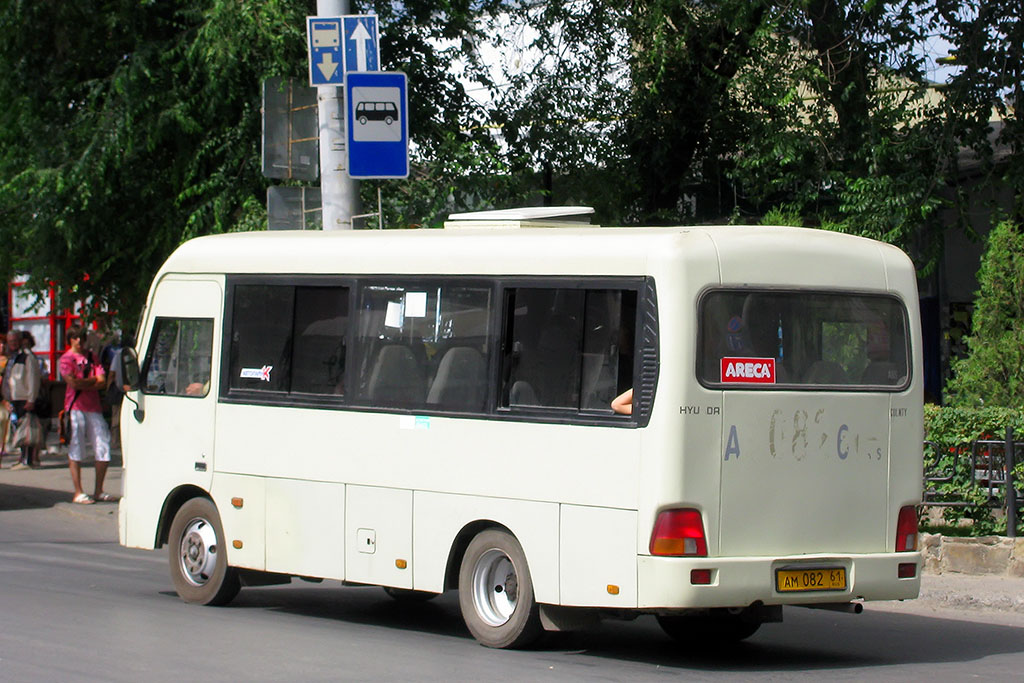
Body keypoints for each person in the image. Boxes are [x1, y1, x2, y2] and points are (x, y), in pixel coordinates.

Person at [59, 325, 116, 504]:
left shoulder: (92, 357)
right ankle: (78, 491)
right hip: (75, 406)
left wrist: (85, 382)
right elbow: (73, 383)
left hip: (94, 407)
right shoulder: (66, 359)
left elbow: (102, 381)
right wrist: (91, 382)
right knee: (76, 446)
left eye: (81, 337)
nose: (79, 341)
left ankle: (98, 490)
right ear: (70, 340)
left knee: (103, 445)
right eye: (75, 338)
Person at [3, 329, 42, 469]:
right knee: (20, 429)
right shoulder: (13, 357)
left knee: (27, 431)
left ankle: (28, 460)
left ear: (20, 341)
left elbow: (32, 379)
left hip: (25, 397)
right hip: (16, 397)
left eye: (14, 341)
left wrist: (31, 399)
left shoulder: (27, 357)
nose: (12, 344)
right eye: (10, 341)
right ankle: (23, 458)